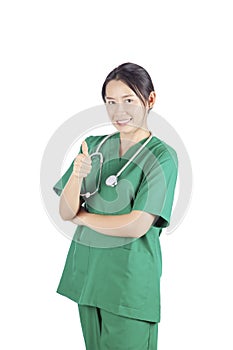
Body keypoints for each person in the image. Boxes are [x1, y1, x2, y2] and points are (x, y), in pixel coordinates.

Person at [53, 62, 178, 350]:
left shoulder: (161, 156)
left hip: (129, 287)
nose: (118, 111)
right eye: (110, 102)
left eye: (128, 100)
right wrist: (77, 175)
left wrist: (83, 218)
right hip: (88, 278)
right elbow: (65, 211)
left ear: (150, 100)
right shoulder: (94, 146)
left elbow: (136, 225)